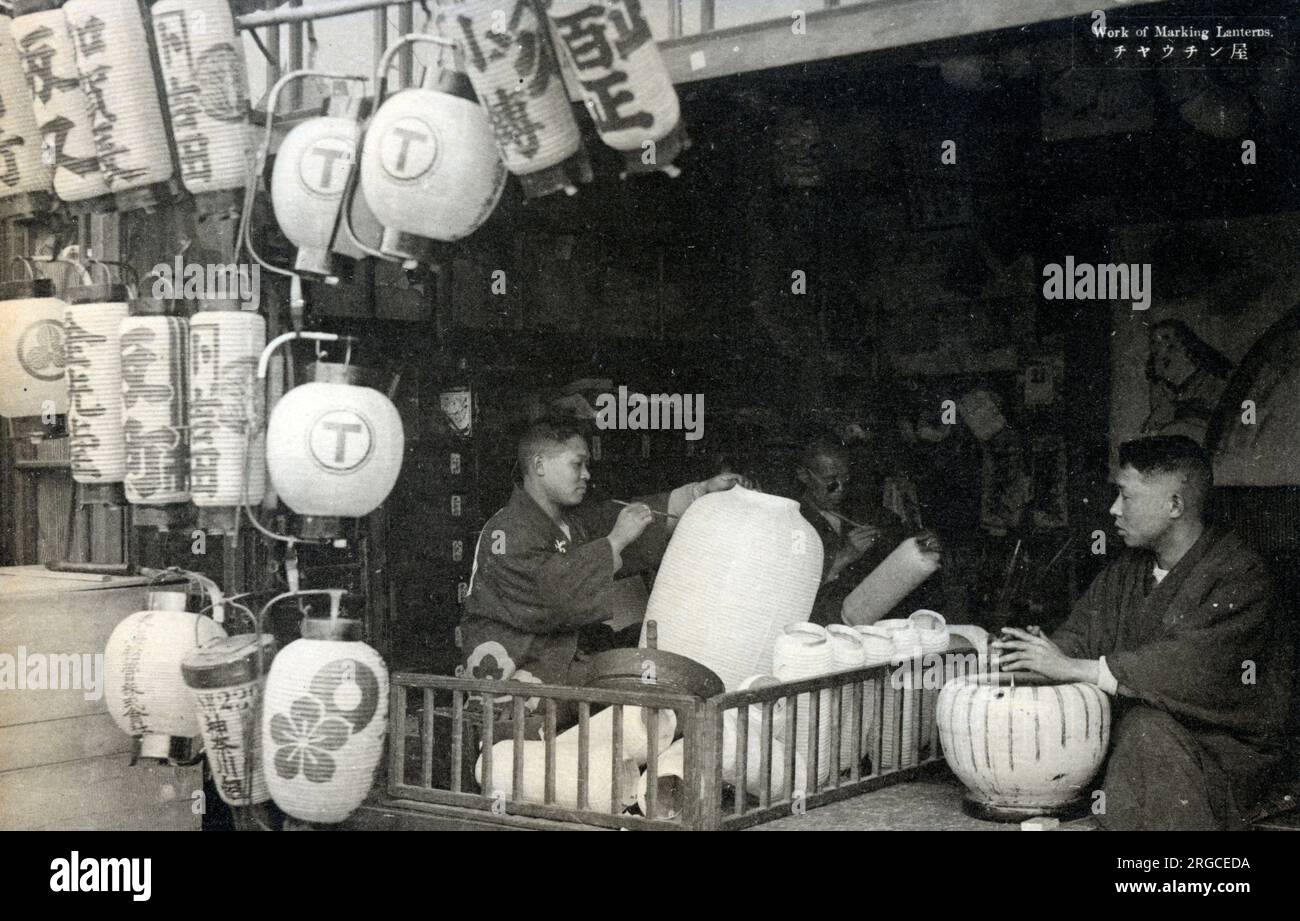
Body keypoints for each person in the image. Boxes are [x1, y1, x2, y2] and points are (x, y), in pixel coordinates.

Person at [994, 435, 1292, 830]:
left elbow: (1190, 666)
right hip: (1143, 752)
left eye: (1125, 496)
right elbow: (1080, 638)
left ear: (1175, 505)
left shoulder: (1240, 574)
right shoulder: (1127, 570)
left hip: (1226, 757)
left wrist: (1075, 668)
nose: (1114, 509)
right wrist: (1033, 654)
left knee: (1145, 729)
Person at [459, 418, 748, 687]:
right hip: (522, 674)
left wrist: (701, 491)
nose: (586, 474)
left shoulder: (572, 521)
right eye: (577, 464)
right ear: (539, 465)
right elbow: (554, 596)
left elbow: (643, 514)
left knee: (666, 646)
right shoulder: (506, 530)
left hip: (563, 663)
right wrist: (613, 542)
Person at [796, 437, 933, 626]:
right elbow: (795, 590)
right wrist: (844, 557)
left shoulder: (861, 509)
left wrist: (923, 544)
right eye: (831, 482)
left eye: (845, 480)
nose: (841, 489)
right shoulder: (793, 521)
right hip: (828, 625)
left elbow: (904, 540)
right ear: (804, 475)